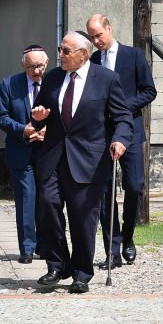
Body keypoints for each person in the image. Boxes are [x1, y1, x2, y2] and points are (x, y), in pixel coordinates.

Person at [27, 30, 133, 294]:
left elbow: (122, 118)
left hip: (89, 159)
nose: (60, 55)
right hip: (53, 156)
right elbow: (40, 114)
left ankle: (81, 272)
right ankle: (57, 265)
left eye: (65, 51)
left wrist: (120, 140)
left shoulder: (106, 79)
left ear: (83, 54)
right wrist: (38, 117)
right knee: (48, 207)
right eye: (60, 49)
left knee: (82, 217)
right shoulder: (52, 78)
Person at [86, 14, 157, 269]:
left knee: (134, 185)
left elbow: (150, 91)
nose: (96, 41)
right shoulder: (93, 60)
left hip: (131, 131)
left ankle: (128, 237)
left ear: (109, 28)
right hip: (102, 134)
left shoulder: (133, 56)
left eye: (99, 35)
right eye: (92, 37)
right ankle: (113, 250)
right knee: (106, 192)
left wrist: (122, 107)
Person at [0, 44, 49, 264]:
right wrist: (22, 130)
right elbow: (1, 116)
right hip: (21, 150)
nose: (36, 71)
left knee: (48, 200)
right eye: (31, 67)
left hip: (47, 150)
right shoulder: (10, 84)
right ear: (24, 66)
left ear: (46, 64)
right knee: (26, 199)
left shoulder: (54, 81)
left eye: (40, 66)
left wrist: (48, 130)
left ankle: (45, 245)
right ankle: (27, 247)